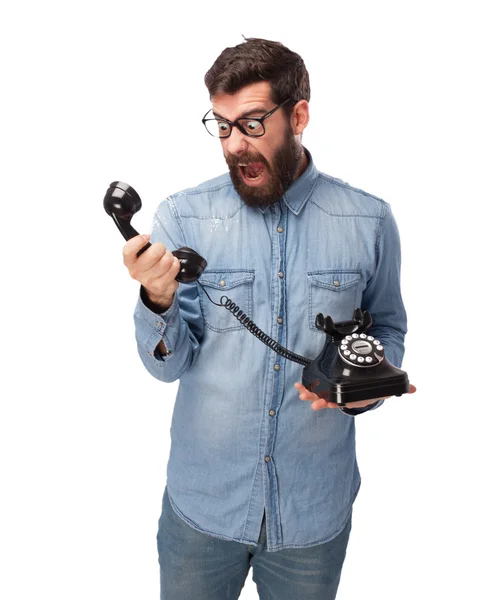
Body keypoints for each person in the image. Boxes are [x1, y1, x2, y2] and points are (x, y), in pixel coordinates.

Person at [123, 38, 416, 600]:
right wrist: (157, 301)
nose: (235, 144)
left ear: (299, 115)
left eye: (253, 123)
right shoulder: (183, 215)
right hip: (203, 508)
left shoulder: (370, 220)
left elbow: (387, 329)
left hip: (312, 513)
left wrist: (371, 386)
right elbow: (167, 367)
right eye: (223, 125)